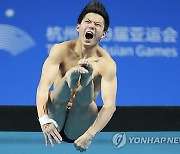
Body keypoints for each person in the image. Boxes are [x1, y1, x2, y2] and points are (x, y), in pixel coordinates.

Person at [36, 0, 117, 152]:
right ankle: (71, 78)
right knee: (58, 92)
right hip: (56, 116)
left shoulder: (106, 63)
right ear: (78, 27)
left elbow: (110, 106)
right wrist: (43, 119)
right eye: (88, 22)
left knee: (86, 98)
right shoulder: (60, 50)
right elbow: (43, 86)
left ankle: (85, 80)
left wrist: (89, 135)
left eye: (98, 25)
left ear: (104, 34)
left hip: (79, 122)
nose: (92, 26)